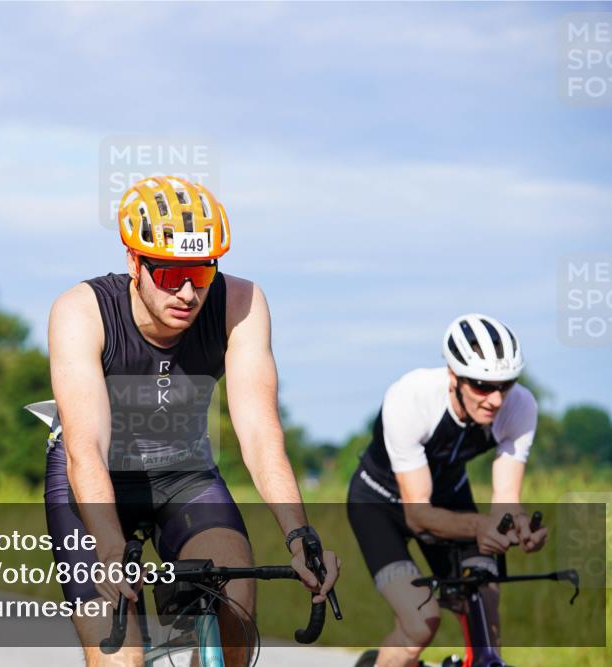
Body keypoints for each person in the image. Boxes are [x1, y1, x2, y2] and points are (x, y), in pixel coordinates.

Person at [41, 175, 339, 666]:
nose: (186, 293)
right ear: (134, 262)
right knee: (120, 657)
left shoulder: (240, 302)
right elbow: (85, 449)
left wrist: (299, 535)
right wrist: (111, 548)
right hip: (93, 479)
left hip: (184, 474)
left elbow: (260, 434)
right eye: (168, 275)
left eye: (201, 274)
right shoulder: (81, 311)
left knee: (235, 614)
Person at [347, 314, 548, 667]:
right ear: (454, 376)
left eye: (506, 384)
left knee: (484, 604)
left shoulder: (521, 405)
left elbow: (505, 498)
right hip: (379, 503)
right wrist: (480, 526)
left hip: (449, 498)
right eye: (482, 386)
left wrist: (517, 526)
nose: (496, 399)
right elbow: (418, 515)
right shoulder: (411, 397)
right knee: (420, 621)